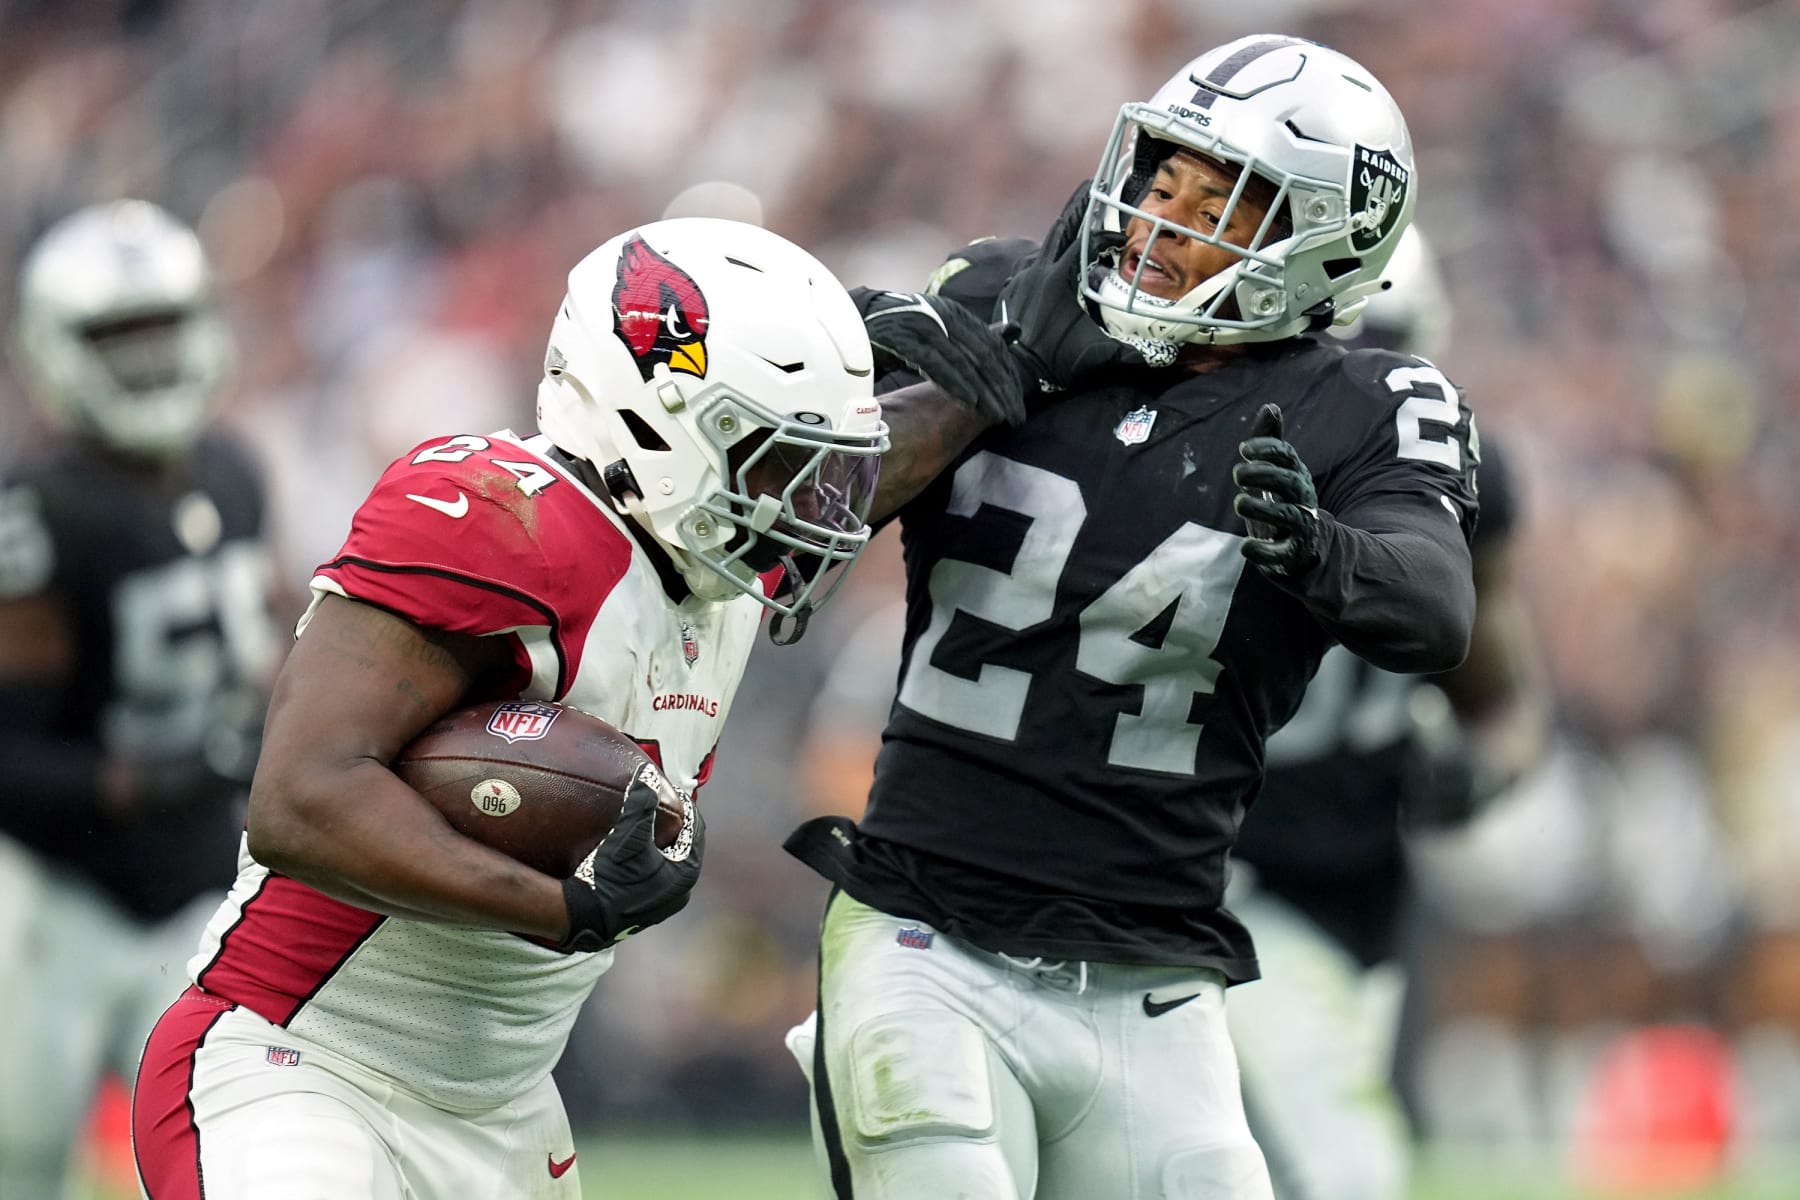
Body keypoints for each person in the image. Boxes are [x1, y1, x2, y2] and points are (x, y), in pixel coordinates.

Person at [782, 34, 1482, 1199]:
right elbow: (804, 508)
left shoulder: (1369, 402)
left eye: (1222, 201)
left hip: (1152, 977)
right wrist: (991, 371)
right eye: (1163, 177)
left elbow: (1434, 603)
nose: (1161, 219)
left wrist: (1320, 551)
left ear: (1324, 240)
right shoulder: (1009, 293)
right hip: (925, 939)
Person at [129, 217, 891, 1199]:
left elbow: (903, 441)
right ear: (653, 417)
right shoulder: (501, 521)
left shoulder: (719, 569)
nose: (807, 508)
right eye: (772, 461)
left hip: (504, 1111)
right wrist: (564, 907)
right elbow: (298, 800)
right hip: (303, 1065)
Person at [1226, 226, 1550, 1200]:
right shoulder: (1209, 459)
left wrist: (1483, 770)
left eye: (1385, 355)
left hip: (1355, 881)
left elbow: (1503, 704)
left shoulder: (1464, 486)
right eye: (1334, 354)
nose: (1360, 390)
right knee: (1330, 1162)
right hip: (1205, 864)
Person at [0, 199, 278, 1198]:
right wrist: (146, 781)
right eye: (120, 338)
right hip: (48, 896)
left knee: (228, 1161)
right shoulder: (37, 514)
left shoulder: (236, 474)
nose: (152, 359)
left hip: (195, 884)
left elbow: (264, 664)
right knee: (20, 1162)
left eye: (163, 328)